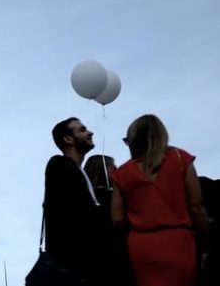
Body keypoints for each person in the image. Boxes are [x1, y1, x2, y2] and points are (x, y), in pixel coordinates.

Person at [111, 114, 213, 286]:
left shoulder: (121, 174)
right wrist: (206, 244)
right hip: (179, 243)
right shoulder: (181, 159)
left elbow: (118, 219)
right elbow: (196, 206)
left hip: (142, 247)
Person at [37, 117, 102, 285]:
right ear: (68, 139)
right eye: (82, 130)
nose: (90, 132)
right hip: (72, 269)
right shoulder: (59, 165)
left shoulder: (80, 172)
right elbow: (77, 213)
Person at [84, 155, 134, 286]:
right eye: (113, 167)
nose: (117, 169)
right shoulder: (114, 199)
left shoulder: (81, 200)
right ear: (102, 170)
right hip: (116, 260)